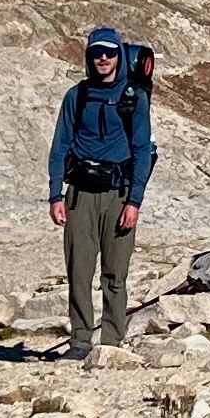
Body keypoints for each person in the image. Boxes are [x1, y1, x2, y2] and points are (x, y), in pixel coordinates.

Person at [46, 26, 155, 361]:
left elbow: (141, 151)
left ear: (119, 55)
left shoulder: (134, 99)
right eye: (96, 53)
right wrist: (55, 195)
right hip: (79, 195)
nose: (103, 58)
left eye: (109, 52)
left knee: (115, 273)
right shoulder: (75, 97)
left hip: (119, 196)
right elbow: (59, 146)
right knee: (79, 272)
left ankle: (110, 343)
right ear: (88, 57)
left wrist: (134, 201)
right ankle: (79, 342)